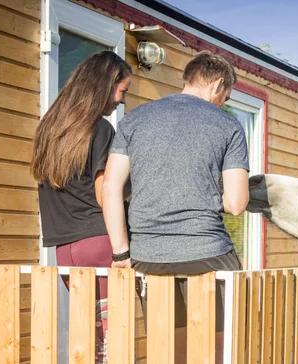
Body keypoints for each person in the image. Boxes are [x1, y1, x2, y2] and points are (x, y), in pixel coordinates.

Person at [102, 50, 249, 363]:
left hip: (148, 257)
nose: (225, 103)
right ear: (217, 84)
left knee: (169, 349)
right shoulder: (229, 126)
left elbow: (111, 187)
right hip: (207, 253)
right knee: (220, 349)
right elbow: (236, 204)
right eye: (227, 96)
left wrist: (121, 253)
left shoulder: (134, 119)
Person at [31, 50, 133, 364]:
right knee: (111, 333)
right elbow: (106, 194)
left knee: (87, 332)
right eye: (122, 91)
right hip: (101, 242)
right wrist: (122, 251)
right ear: (105, 84)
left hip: (65, 248)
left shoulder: (49, 130)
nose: (121, 100)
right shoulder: (100, 130)